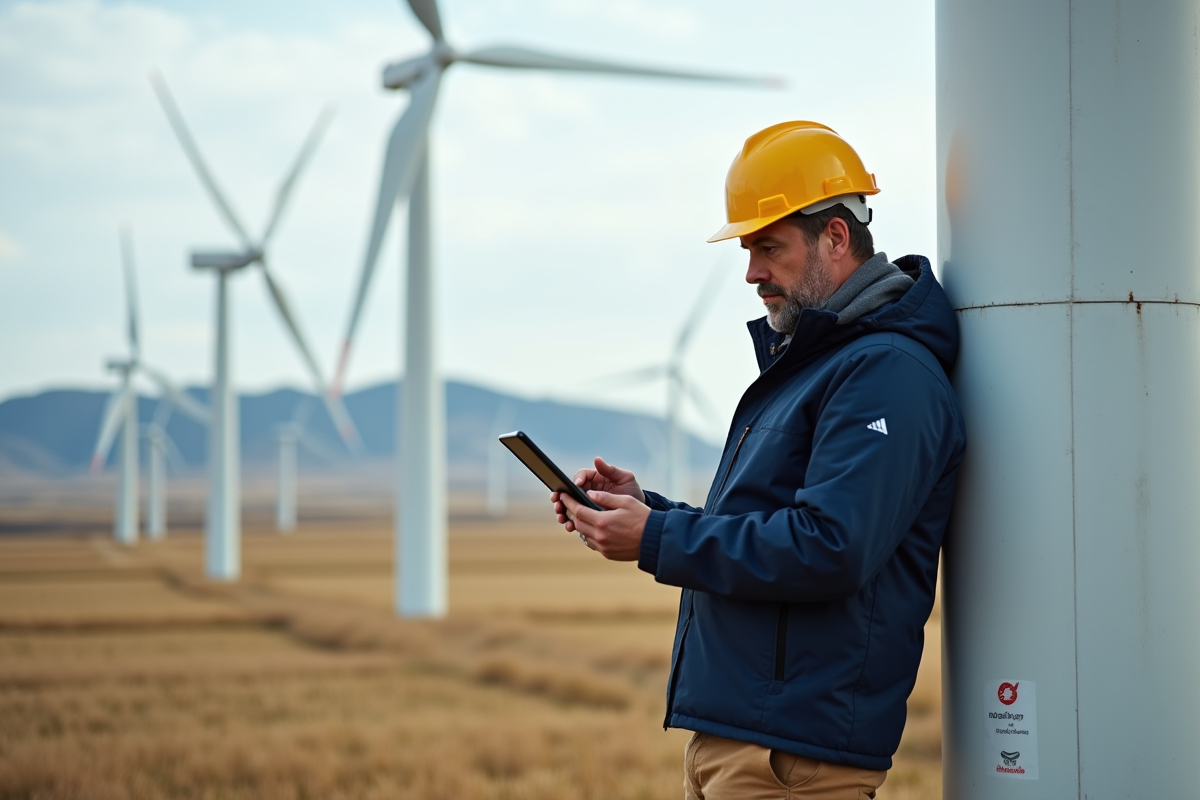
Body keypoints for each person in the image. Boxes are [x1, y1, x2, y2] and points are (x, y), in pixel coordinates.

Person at [553, 121, 965, 799]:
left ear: (836, 236)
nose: (751, 273)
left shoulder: (887, 373)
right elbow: (768, 522)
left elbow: (831, 545)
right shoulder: (820, 365)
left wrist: (655, 539)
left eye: (768, 248)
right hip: (747, 743)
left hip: (794, 760)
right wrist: (648, 509)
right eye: (748, 250)